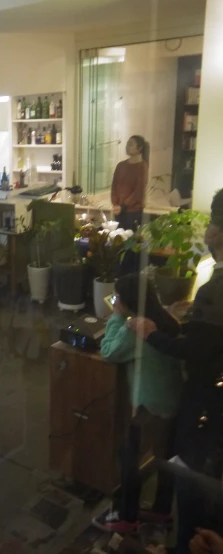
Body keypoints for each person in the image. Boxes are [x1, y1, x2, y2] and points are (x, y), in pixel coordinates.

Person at [128, 190, 223, 553]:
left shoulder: (216, 290)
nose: (208, 231)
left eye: (213, 223)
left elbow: (195, 352)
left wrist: (152, 334)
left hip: (207, 412)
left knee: (196, 505)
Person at [94, 273, 182, 532]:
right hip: (174, 401)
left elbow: (108, 351)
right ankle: (161, 510)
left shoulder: (136, 328)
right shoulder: (167, 319)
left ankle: (127, 516)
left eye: (119, 297)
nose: (116, 300)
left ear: (129, 301)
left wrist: (118, 317)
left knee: (129, 455)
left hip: (150, 406)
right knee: (166, 458)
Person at [111, 135, 149, 231]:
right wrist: (115, 204)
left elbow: (138, 191)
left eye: (131, 144)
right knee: (117, 240)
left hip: (133, 211)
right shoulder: (120, 165)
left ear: (139, 148)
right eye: (127, 144)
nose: (127, 146)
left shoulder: (142, 166)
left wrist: (123, 206)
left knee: (131, 241)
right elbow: (114, 186)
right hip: (118, 210)